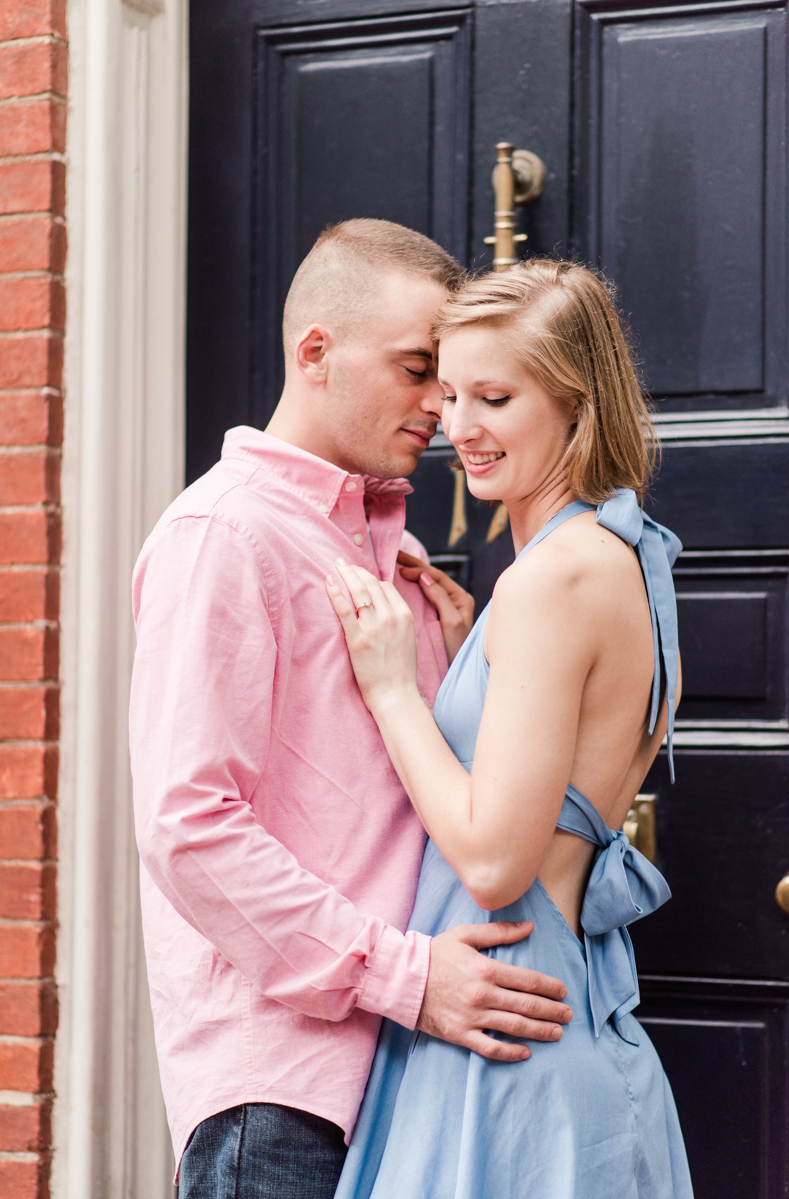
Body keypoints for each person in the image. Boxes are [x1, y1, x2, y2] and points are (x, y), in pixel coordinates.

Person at [129, 221, 574, 1199]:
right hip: (282, 1095)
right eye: (419, 369)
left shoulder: (397, 559)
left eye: (454, 381)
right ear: (315, 352)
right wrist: (408, 975)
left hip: (406, 1075)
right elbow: (187, 826)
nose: (440, 409)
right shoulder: (224, 534)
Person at [327, 259, 694, 1198]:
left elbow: (496, 862)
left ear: (578, 403)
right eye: (448, 392)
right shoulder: (628, 557)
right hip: (558, 1009)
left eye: (494, 396)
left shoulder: (550, 579)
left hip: (504, 1035)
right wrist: (471, 664)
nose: (458, 428)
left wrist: (395, 690)